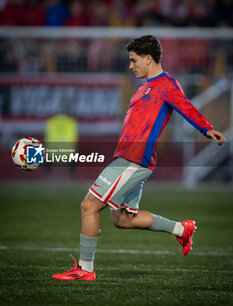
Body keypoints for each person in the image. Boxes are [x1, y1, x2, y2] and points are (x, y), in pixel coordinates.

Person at [52, 35, 225, 281]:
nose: (130, 66)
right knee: (123, 219)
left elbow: (186, 106)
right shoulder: (144, 88)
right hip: (128, 157)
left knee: (88, 206)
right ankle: (181, 229)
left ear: (148, 59)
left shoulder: (168, 85)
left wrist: (206, 128)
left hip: (134, 159)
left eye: (134, 61)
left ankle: (85, 270)